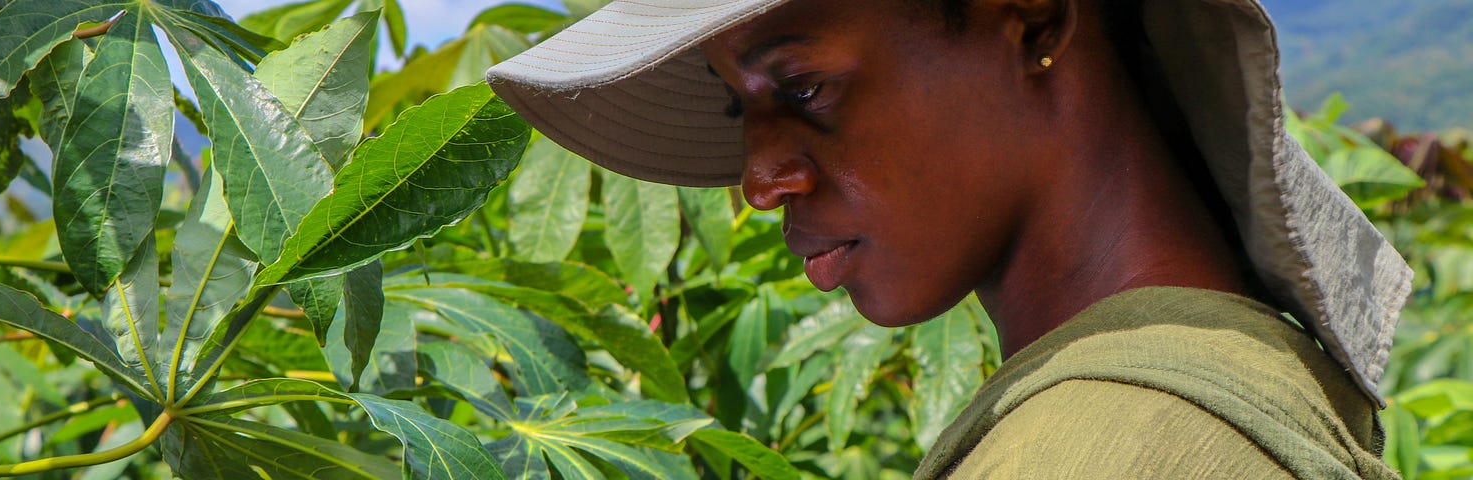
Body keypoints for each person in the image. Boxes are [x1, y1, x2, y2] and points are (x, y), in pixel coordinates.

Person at [488, 0, 1410, 478]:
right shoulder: (1231, 370)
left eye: (803, 89)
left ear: (1035, 18)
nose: (759, 181)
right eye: (741, 109)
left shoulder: (1105, 449)